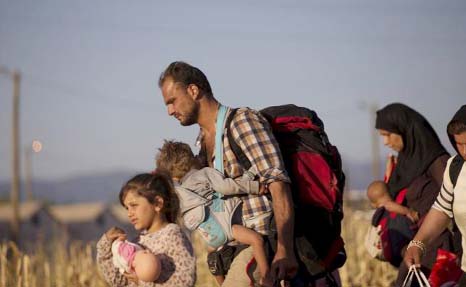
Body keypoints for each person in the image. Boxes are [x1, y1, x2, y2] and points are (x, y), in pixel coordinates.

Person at [158, 61, 297, 286]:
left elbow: (278, 184)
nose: (170, 111)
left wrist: (284, 249)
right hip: (234, 250)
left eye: (172, 101)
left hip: (261, 245)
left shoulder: (242, 122)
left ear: (193, 90)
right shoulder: (202, 141)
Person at [156, 139, 273, 286]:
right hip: (228, 227)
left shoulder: (180, 193)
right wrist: (255, 187)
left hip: (211, 237)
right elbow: (226, 187)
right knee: (257, 240)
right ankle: (266, 276)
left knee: (212, 256)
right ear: (191, 160)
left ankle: (221, 283)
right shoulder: (204, 173)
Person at [375, 103, 453, 286]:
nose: (385, 142)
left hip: (437, 248)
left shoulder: (438, 162)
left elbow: (453, 202)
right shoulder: (405, 163)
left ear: (404, 130)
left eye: (387, 135)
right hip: (415, 247)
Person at [96, 172, 196, 287]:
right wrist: (106, 247)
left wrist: (142, 283)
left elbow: (185, 281)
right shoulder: (137, 242)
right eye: (127, 208)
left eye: (134, 205)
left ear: (157, 203)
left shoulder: (172, 236)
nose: (129, 213)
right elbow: (118, 281)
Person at [404, 105, 466, 286]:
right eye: (459, 144)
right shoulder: (456, 167)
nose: (464, 151)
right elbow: (442, 208)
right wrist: (418, 244)